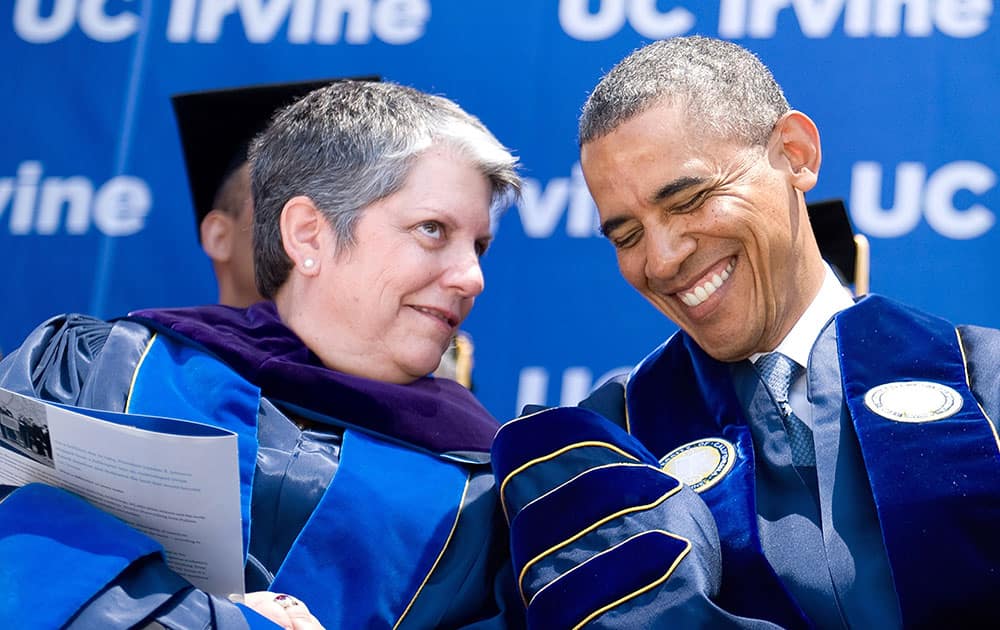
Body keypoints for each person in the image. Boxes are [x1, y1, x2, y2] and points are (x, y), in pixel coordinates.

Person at [491, 35, 1000, 629]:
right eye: (627, 236)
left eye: (689, 201)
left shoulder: (983, 380)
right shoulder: (609, 439)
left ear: (795, 154)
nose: (660, 260)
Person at [0, 80, 523, 629]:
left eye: (479, 246)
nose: (472, 278)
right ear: (308, 236)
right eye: (433, 230)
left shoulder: (484, 493)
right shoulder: (102, 369)